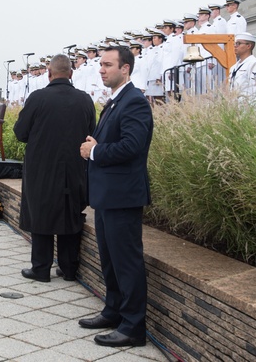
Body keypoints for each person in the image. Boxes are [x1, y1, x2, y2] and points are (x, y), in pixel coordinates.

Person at [78, 46, 153, 348]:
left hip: (123, 197)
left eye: (108, 65)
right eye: (101, 65)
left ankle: (133, 327)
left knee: (127, 263)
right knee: (110, 261)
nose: (101, 69)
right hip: (107, 195)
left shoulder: (134, 102)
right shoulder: (113, 102)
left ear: (126, 69)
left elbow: (131, 147)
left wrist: (94, 150)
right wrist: (97, 144)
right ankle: (114, 311)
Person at [14, 54, 96, 283]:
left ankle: (41, 269)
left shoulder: (38, 98)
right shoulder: (84, 100)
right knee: (70, 214)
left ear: (49, 74)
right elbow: (92, 132)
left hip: (42, 168)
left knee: (41, 214)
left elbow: (20, 132)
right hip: (75, 168)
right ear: (71, 73)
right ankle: (69, 269)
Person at [229, 33, 256, 108]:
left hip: (247, 110)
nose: (235, 46)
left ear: (248, 46)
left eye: (238, 43)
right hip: (234, 110)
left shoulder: (254, 65)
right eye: (235, 43)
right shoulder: (233, 67)